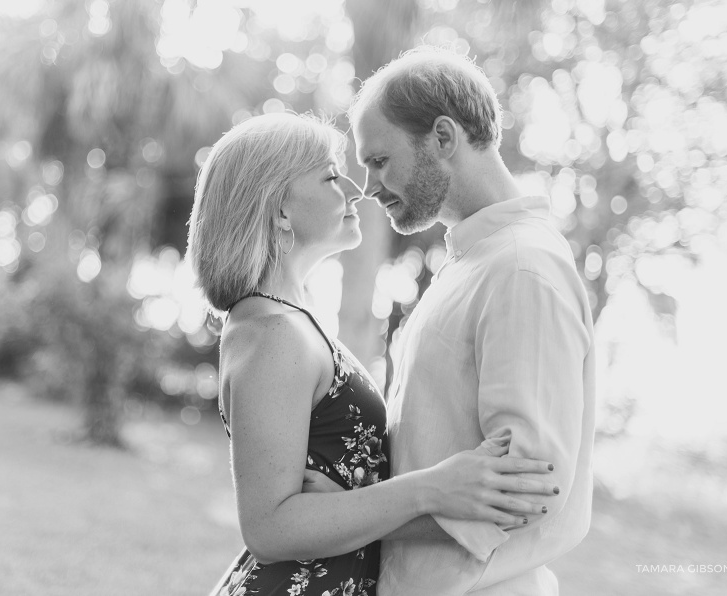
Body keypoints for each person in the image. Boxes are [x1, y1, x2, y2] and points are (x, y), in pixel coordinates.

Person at [187, 113, 559, 596]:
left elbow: (333, 507)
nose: (356, 190)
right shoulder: (272, 332)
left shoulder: (291, 318)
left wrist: (376, 502)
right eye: (330, 175)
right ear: (279, 210)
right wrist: (432, 487)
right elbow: (269, 529)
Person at [349, 47, 596, 595]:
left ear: (442, 137)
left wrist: (352, 516)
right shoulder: (477, 262)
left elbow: (526, 488)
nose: (368, 186)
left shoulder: (521, 269)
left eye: (379, 160)